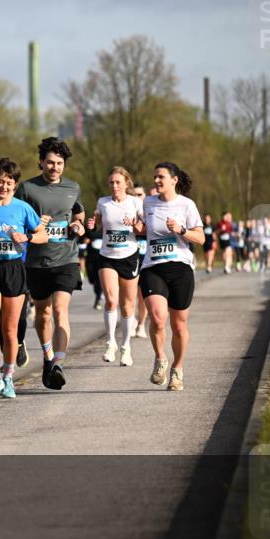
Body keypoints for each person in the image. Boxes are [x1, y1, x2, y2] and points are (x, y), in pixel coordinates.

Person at [0, 158, 50, 399]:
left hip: (13, 269)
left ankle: (8, 378)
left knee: (10, 330)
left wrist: (27, 238)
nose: (3, 186)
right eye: (0, 181)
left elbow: (43, 235)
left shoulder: (23, 209)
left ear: (15, 185)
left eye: (9, 183)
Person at [15, 137, 85, 390]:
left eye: (59, 163)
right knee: (43, 314)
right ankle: (47, 357)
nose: (55, 167)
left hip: (66, 259)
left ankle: (58, 364)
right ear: (41, 162)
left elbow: (78, 213)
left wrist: (78, 225)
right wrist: (34, 226)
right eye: (50, 162)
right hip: (36, 262)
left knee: (59, 309)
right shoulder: (27, 188)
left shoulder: (72, 187)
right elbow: (16, 219)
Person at [139, 162, 205, 391]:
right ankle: (160, 358)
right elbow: (144, 228)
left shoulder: (187, 205)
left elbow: (201, 238)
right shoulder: (148, 202)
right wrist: (135, 226)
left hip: (180, 268)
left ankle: (177, 369)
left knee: (179, 325)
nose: (156, 180)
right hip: (153, 267)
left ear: (174, 180)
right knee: (158, 319)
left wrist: (181, 230)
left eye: (161, 177)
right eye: (155, 177)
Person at [85, 166, 145, 367]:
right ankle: (110, 343)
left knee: (127, 305)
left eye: (118, 182)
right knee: (111, 300)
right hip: (107, 256)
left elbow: (144, 228)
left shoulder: (135, 202)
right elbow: (98, 223)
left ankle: (126, 346)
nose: (114, 186)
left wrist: (134, 224)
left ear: (126, 183)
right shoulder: (103, 202)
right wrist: (93, 224)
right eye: (111, 182)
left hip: (129, 256)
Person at [133, 183, 150, 337]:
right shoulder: (126, 211)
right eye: (134, 194)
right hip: (130, 259)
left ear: (145, 196)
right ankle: (131, 321)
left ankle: (141, 324)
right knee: (129, 294)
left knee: (142, 295)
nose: (137, 197)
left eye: (139, 195)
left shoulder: (149, 213)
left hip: (146, 259)